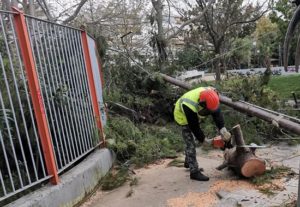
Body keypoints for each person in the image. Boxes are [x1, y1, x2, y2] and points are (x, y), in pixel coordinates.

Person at [173, 87, 231, 181]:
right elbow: (194, 127)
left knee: (193, 139)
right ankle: (194, 172)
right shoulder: (189, 105)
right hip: (182, 117)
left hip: (193, 113)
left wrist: (223, 129)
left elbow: (217, 113)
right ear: (202, 103)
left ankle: (188, 162)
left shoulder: (212, 93)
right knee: (190, 142)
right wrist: (204, 140)